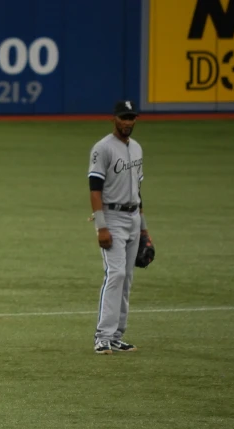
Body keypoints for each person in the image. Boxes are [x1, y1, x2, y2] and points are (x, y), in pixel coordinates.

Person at [87, 100, 150, 355]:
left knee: (127, 278)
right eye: (123, 117)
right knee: (115, 274)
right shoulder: (102, 149)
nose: (127, 122)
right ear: (114, 118)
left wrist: (144, 229)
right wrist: (101, 226)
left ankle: (116, 336)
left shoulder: (136, 148)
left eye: (131, 117)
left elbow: (138, 190)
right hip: (111, 217)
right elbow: (94, 189)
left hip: (133, 216)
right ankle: (102, 336)